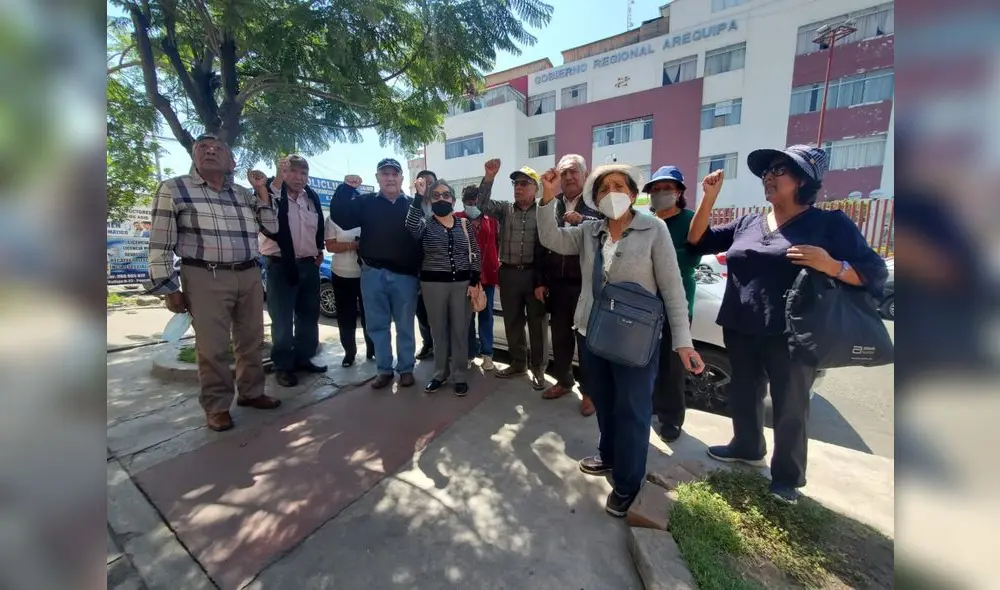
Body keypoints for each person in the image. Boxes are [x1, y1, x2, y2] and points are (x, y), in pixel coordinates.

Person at [687, 145, 887, 504]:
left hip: (792, 332)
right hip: (740, 324)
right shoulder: (749, 223)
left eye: (779, 170)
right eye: (767, 171)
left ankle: (787, 477)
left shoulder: (829, 224)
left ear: (804, 181)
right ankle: (747, 446)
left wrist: (832, 265)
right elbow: (697, 240)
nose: (768, 176)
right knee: (744, 392)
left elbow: (873, 272)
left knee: (790, 404)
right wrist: (708, 198)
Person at [536, 163, 704, 517]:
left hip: (635, 338)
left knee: (633, 411)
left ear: (632, 193)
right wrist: (547, 199)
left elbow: (673, 287)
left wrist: (683, 342)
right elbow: (551, 238)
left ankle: (628, 483)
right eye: (604, 188)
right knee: (605, 401)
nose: (611, 192)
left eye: (619, 186)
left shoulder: (654, 228)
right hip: (592, 333)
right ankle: (609, 455)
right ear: (596, 199)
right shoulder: (589, 231)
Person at [147, 134, 282, 432]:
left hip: (248, 272)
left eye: (218, 148)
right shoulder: (174, 188)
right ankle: (217, 406)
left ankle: (251, 393)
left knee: (251, 340)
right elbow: (159, 243)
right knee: (213, 346)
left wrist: (261, 190)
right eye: (203, 148)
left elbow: (272, 227)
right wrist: (168, 287)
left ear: (232, 162)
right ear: (194, 157)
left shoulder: (243, 194)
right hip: (203, 275)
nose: (210, 151)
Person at [330, 158, 422, 390]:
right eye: (385, 174)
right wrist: (346, 189)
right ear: (377, 178)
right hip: (373, 274)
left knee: (405, 326)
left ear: (401, 178)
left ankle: (406, 369)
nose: (390, 178)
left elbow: (422, 240)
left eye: (394, 174)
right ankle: (384, 370)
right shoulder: (365, 202)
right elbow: (340, 217)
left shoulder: (413, 205)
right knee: (377, 326)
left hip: (405, 276)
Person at [475, 159, 549, 390]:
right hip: (508, 273)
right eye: (516, 184)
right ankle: (518, 364)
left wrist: (544, 280)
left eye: (524, 184)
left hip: (534, 275)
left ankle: (539, 369)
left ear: (536, 188)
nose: (518, 187)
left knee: (537, 323)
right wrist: (489, 177)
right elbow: (481, 204)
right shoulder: (505, 209)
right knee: (512, 321)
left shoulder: (545, 211)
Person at [537, 154, 601, 416]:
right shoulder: (552, 204)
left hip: (586, 286)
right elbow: (541, 242)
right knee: (560, 338)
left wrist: (582, 220)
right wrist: (540, 281)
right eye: (564, 173)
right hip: (557, 285)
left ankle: (590, 392)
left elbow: (607, 229)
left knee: (587, 342)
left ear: (585, 174)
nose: (569, 177)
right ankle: (564, 381)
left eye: (573, 171)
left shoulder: (596, 203)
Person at [405, 179, 482, 396]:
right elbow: (410, 225)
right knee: (438, 331)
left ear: (453, 200)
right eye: (436, 195)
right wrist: (418, 196)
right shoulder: (425, 224)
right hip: (433, 286)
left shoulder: (464, 224)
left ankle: (459, 375)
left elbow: (475, 252)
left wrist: (474, 280)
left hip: (462, 286)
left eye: (445, 195)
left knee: (460, 331)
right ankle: (439, 374)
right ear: (430, 200)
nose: (441, 199)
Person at [258, 154, 327, 388]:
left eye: (303, 173)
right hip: (280, 266)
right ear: (283, 173)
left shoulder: (311, 197)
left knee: (308, 316)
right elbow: (266, 220)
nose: (299, 177)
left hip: (309, 265)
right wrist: (276, 179)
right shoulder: (271, 195)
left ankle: (303, 358)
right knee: (282, 319)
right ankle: (283, 366)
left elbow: (317, 229)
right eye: (293, 172)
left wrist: (319, 250)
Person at [645, 165, 701, 443]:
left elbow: (691, 258)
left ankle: (671, 419)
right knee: (647, 360)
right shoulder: (648, 222)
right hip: (647, 302)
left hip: (677, 303)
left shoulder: (690, 220)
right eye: (655, 189)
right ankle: (652, 408)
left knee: (672, 364)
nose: (660, 193)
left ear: (679, 192)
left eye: (667, 188)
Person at [325, 177, 375, 368]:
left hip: (365, 273)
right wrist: (352, 245)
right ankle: (349, 353)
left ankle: (372, 350)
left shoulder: (364, 217)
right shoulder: (332, 219)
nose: (352, 201)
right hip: (341, 274)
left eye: (355, 197)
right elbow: (330, 246)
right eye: (348, 197)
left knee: (369, 315)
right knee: (346, 316)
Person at [455, 184, 499, 372]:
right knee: (467, 318)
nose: (472, 205)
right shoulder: (457, 219)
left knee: (486, 315)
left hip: (487, 275)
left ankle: (487, 354)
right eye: (469, 202)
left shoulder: (491, 219)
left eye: (475, 202)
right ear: (463, 202)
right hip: (464, 276)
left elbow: (496, 244)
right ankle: (469, 354)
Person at [413, 169, 439, 361]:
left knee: (440, 312)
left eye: (431, 183)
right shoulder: (412, 205)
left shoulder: (443, 205)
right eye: (424, 182)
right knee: (421, 311)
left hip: (439, 268)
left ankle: (442, 347)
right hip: (418, 267)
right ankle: (427, 343)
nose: (428, 186)